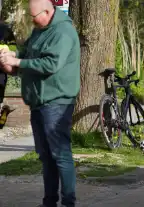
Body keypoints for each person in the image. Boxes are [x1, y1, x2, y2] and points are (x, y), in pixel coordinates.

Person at [0, 0, 81, 206]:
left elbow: (51, 63)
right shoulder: (40, 29)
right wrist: (12, 56)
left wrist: (18, 62)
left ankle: (68, 202)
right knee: (45, 156)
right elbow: (27, 52)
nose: (32, 21)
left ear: (47, 11)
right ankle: (49, 201)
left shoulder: (62, 32)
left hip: (57, 101)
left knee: (60, 154)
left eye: (34, 17)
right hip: (38, 101)